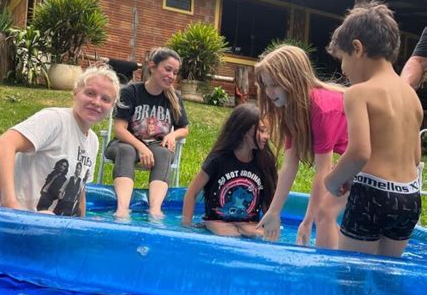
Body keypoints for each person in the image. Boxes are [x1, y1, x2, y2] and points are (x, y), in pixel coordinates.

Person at [325, 1, 423, 257]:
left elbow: (359, 153)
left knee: (351, 275)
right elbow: (414, 158)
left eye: (342, 60)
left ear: (357, 49)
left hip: (372, 193)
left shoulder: (358, 93)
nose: (343, 70)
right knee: (386, 274)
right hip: (410, 198)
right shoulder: (412, 97)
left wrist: (333, 181)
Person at [0, 65, 119, 217]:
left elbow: (80, 189)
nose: (97, 102)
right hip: (19, 223)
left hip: (54, 229)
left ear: (112, 106)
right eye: (90, 93)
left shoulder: (93, 140)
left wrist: (83, 225)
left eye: (105, 99)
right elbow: (1, 145)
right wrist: (10, 205)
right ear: (76, 92)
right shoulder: (55, 120)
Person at [255, 45, 348, 249]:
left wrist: (307, 222)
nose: (269, 92)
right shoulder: (294, 110)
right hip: (353, 162)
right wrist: (273, 212)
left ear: (294, 80)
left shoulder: (322, 108)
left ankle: (329, 269)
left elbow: (323, 173)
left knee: (324, 213)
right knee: (327, 213)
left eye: (275, 85)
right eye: (265, 85)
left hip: (373, 159)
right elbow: (289, 166)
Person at [105, 47, 189, 219]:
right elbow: (119, 129)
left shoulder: (174, 98)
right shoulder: (131, 92)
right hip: (125, 143)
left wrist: (172, 135)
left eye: (175, 72)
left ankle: (155, 210)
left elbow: (184, 128)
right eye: (167, 69)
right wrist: (141, 148)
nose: (171, 75)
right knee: (126, 151)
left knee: (164, 153)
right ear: (152, 66)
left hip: (156, 146)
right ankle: (122, 209)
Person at [182, 104, 277, 237]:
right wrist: (186, 228)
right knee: (230, 234)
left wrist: (270, 230)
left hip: (248, 223)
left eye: (266, 131)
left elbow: (269, 200)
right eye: (261, 131)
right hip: (217, 221)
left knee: (258, 234)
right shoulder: (218, 160)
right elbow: (191, 193)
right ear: (244, 131)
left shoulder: (265, 162)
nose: (266, 136)